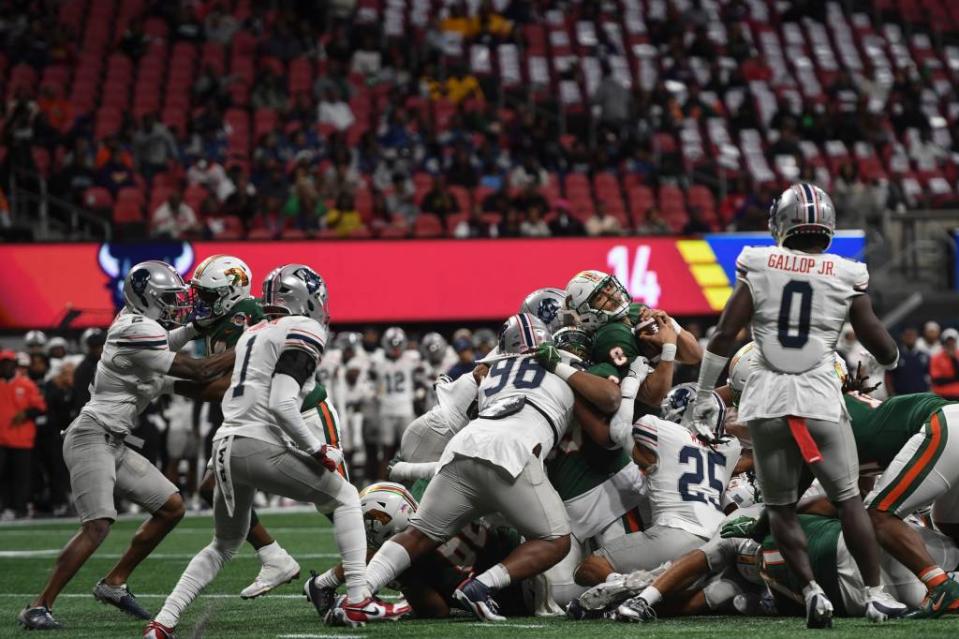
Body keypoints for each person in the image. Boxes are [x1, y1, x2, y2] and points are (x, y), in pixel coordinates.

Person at [144, 264, 406, 638]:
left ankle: (162, 623)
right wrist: (318, 449)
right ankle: (359, 600)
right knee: (346, 496)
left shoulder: (252, 331)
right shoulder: (305, 327)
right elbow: (282, 403)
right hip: (260, 442)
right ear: (305, 298)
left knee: (223, 544)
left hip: (224, 446)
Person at [685, 183, 906, 626]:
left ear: (781, 222)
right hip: (820, 396)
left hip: (767, 399)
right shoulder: (846, 272)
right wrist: (890, 360)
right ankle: (877, 594)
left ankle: (810, 590)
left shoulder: (759, 261)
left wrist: (705, 391)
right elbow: (878, 341)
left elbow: (726, 334)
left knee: (781, 507)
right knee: (848, 500)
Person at [328, 314, 620, 625]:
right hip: (513, 455)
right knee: (556, 540)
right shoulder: (561, 366)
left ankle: (357, 597)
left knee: (418, 535)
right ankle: (481, 586)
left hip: (462, 447)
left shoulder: (490, 371)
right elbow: (610, 398)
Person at [18, 261, 235, 630]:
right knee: (98, 525)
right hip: (91, 435)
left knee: (171, 507)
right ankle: (39, 606)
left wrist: (243, 379)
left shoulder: (144, 338)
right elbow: (199, 372)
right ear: (147, 300)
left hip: (113, 440)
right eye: (167, 299)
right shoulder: (137, 330)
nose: (174, 306)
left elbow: (201, 387)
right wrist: (255, 342)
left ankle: (114, 583)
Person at [188, 255, 342, 600]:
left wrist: (172, 383)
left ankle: (372, 572)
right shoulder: (219, 322)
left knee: (336, 499)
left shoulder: (250, 317)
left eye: (209, 296)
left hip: (302, 411)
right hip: (263, 419)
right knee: (212, 487)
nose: (200, 303)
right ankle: (274, 557)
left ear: (230, 293)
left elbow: (231, 382)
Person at [576, 384, 743, 588]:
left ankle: (625, 586)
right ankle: (654, 590)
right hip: (717, 541)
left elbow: (620, 432)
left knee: (589, 568)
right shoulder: (730, 449)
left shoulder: (661, 431)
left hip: (674, 534)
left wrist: (631, 386)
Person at [368, 328, 420, 480]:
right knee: (386, 450)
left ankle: (410, 482)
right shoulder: (378, 360)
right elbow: (370, 382)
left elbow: (420, 379)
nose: (396, 349)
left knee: (409, 450)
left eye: (398, 345)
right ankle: (382, 482)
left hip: (405, 408)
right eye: (393, 345)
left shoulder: (411, 359)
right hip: (387, 409)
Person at [0, 349, 46, 518]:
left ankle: (20, 508)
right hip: (2, 440)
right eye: (3, 363)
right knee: (3, 477)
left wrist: (26, 414)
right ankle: (5, 508)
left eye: (9, 363)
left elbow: (40, 407)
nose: (6, 366)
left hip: (22, 440)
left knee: (21, 478)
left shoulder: (26, 385)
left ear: (14, 365)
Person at [887, 327, 930, 395]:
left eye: (912, 335)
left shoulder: (924, 356)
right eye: (907, 335)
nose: (910, 338)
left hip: (921, 396)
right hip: (901, 395)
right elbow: (888, 375)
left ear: (916, 337)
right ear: (902, 337)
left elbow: (930, 376)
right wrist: (891, 393)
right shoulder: (896, 356)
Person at [930, 328, 959, 401]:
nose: (950, 344)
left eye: (952, 342)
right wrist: (955, 378)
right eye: (948, 342)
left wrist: (953, 359)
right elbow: (937, 380)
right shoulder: (936, 358)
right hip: (942, 396)